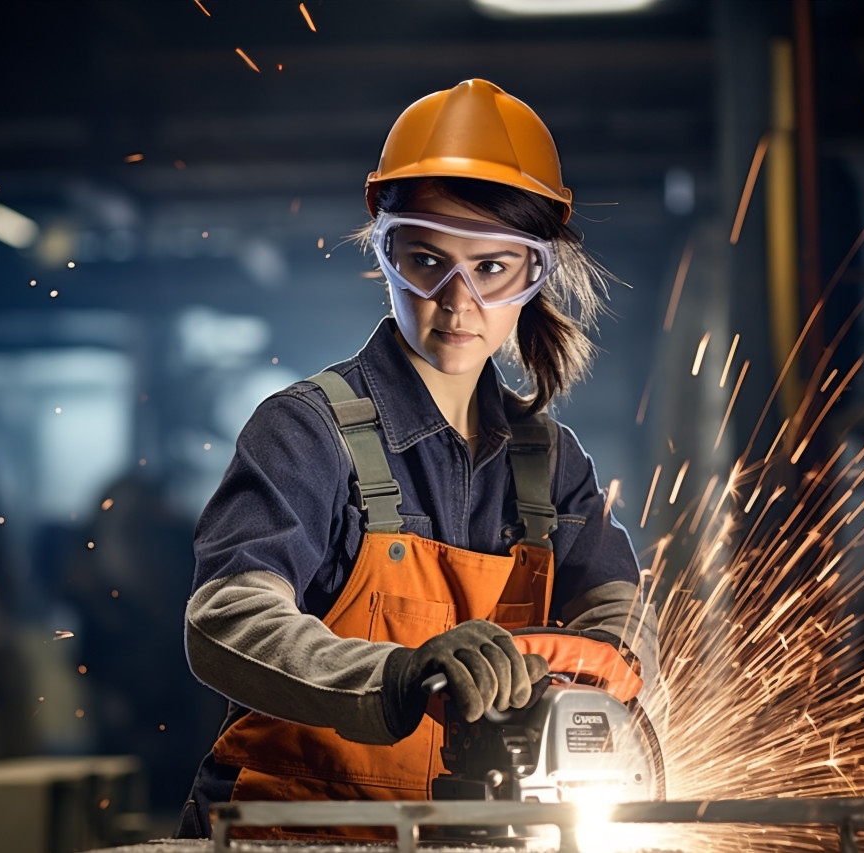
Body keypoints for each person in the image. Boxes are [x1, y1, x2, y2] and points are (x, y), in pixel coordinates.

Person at [175, 79, 661, 838]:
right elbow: (227, 619)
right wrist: (394, 675)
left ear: (537, 275)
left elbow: (617, 614)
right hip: (293, 834)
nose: (458, 300)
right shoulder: (305, 433)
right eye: (428, 260)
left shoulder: (549, 462)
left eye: (494, 268)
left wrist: (580, 682)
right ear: (386, 253)